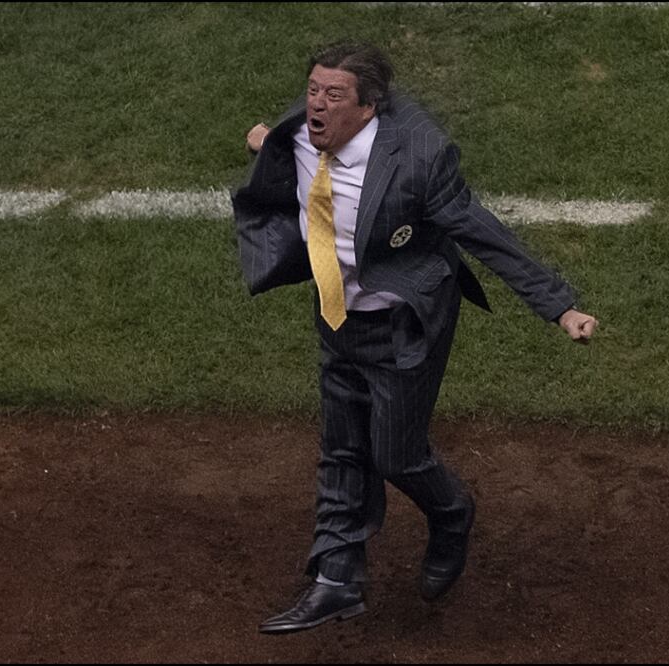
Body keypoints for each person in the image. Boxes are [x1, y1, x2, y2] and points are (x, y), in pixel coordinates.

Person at [232, 41, 597, 635]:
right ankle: (337, 581)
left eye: (333, 95)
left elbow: (481, 232)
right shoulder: (301, 131)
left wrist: (559, 307)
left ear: (369, 107)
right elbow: (282, 148)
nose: (317, 103)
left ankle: (451, 512)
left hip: (405, 321)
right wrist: (267, 141)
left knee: (396, 455)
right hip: (338, 316)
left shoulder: (419, 160)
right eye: (313, 90)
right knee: (342, 447)